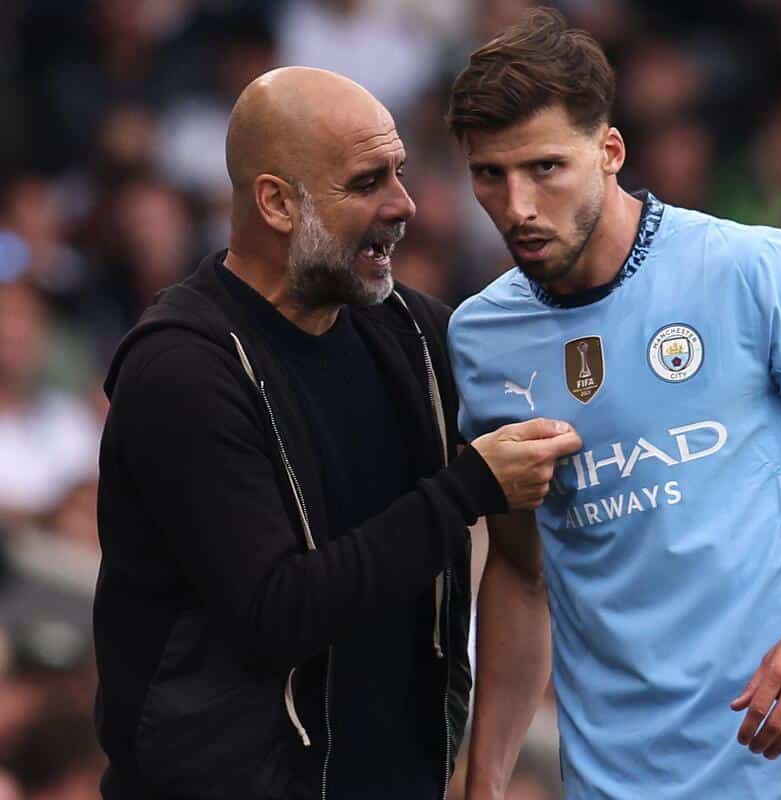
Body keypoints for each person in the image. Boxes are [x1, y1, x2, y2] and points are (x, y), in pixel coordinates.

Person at [446, 10, 781, 800]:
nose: (517, 205)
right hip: (617, 784)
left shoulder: (749, 271)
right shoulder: (485, 340)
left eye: (545, 167)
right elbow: (521, 575)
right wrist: (484, 781)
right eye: (490, 174)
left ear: (610, 151)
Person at [92, 66, 581, 800]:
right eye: (367, 182)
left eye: (400, 172)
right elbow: (276, 613)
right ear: (277, 202)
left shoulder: (418, 336)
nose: (403, 204)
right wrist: (465, 491)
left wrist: (484, 779)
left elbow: (526, 567)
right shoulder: (182, 370)